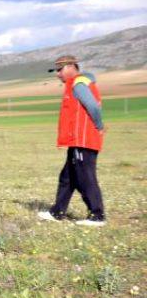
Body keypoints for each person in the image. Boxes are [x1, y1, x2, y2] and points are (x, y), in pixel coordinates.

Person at [38, 55, 106, 227]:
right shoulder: (75, 84)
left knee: (85, 177)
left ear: (71, 67)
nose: (57, 74)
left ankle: (97, 215)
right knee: (67, 177)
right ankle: (57, 212)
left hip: (84, 140)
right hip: (77, 141)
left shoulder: (79, 83)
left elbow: (92, 106)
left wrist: (99, 125)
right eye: (56, 70)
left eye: (60, 70)